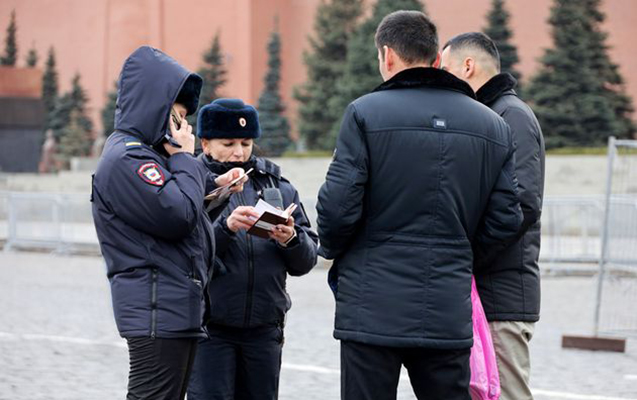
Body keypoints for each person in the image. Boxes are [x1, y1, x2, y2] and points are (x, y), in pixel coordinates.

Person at [316, 11, 524, 400]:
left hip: (371, 302)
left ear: (387, 55)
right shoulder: (492, 125)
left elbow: (337, 208)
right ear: (433, 59)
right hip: (447, 304)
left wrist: (339, 253)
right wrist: (460, 255)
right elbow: (506, 218)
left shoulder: (364, 113)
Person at [91, 46, 245, 400]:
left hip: (173, 306)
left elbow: (183, 213)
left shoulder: (148, 155)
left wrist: (215, 189)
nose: (184, 128)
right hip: (157, 309)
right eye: (177, 118)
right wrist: (187, 158)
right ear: (155, 110)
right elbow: (177, 216)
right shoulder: (129, 158)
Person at [187, 98, 319, 400]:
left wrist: (290, 239)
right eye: (228, 143)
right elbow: (185, 255)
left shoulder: (277, 185)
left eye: (246, 143)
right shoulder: (191, 184)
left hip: (264, 330)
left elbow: (306, 260)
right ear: (205, 143)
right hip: (210, 329)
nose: (239, 152)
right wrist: (226, 228)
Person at [441, 32, 545, 400]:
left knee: (507, 394)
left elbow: (522, 204)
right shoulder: (490, 115)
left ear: (468, 67)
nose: (441, 78)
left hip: (502, 295)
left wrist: (468, 256)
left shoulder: (510, 115)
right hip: (487, 290)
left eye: (446, 68)